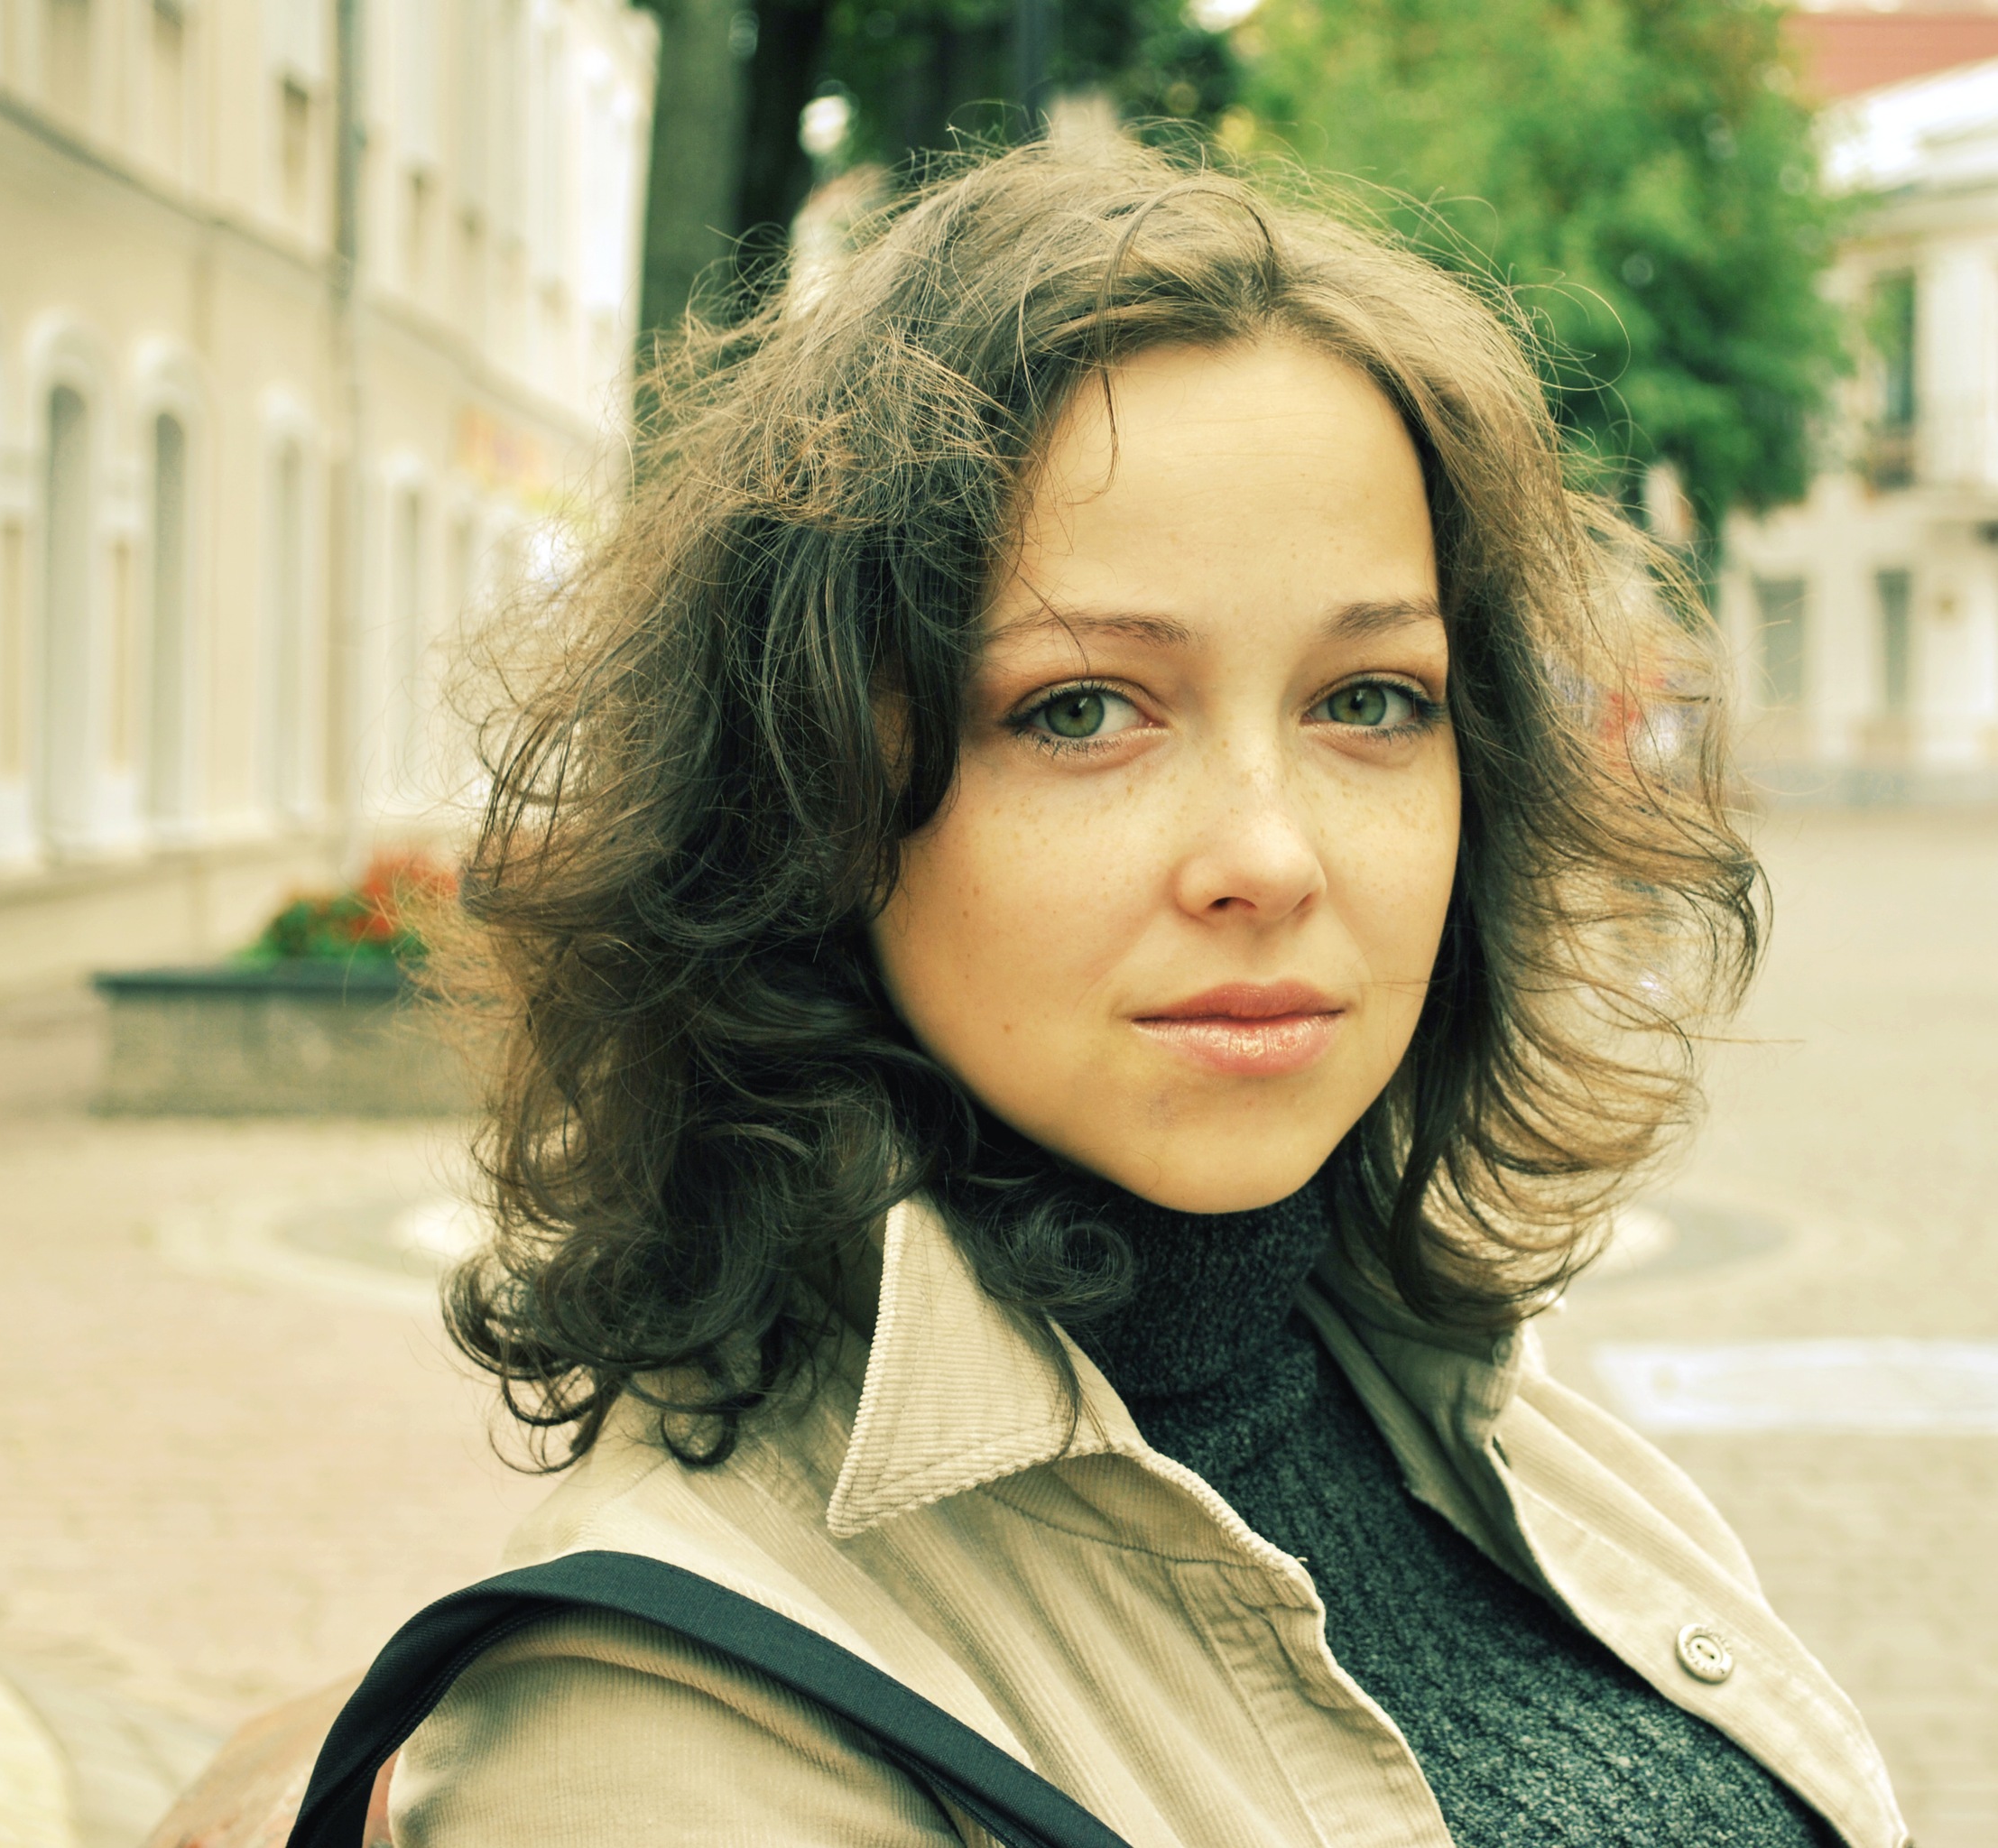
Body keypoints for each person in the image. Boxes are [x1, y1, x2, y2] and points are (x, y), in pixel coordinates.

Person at [402, 143, 1907, 1845]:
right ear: (804, 802)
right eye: (1081, 709)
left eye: (1369, 700)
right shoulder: (667, 1729)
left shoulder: (1459, 1396)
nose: (1269, 856)